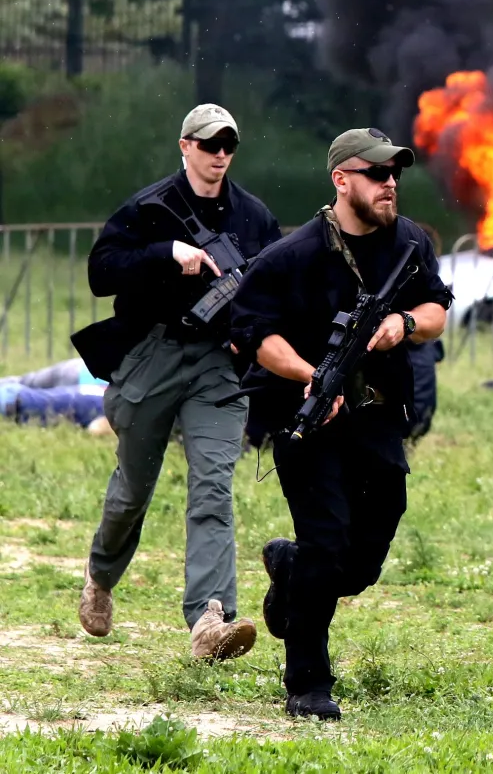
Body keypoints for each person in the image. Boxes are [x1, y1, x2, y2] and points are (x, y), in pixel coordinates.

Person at [230, 127, 452, 721]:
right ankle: (308, 684)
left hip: (377, 417)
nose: (389, 183)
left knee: (362, 558)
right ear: (341, 179)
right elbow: (254, 335)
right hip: (306, 421)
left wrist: (405, 323)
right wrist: (309, 375)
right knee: (326, 543)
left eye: (394, 174)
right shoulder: (291, 256)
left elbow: (437, 308)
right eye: (376, 173)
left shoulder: (410, 241)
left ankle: (290, 568)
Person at [73, 104, 281, 660]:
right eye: (209, 144)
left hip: (217, 365)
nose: (220, 154)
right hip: (153, 353)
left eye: (229, 145)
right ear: (185, 145)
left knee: (213, 486)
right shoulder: (148, 208)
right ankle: (100, 574)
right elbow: (100, 272)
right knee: (133, 490)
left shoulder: (254, 216)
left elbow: (274, 288)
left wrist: (248, 333)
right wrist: (166, 254)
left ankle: (210, 619)